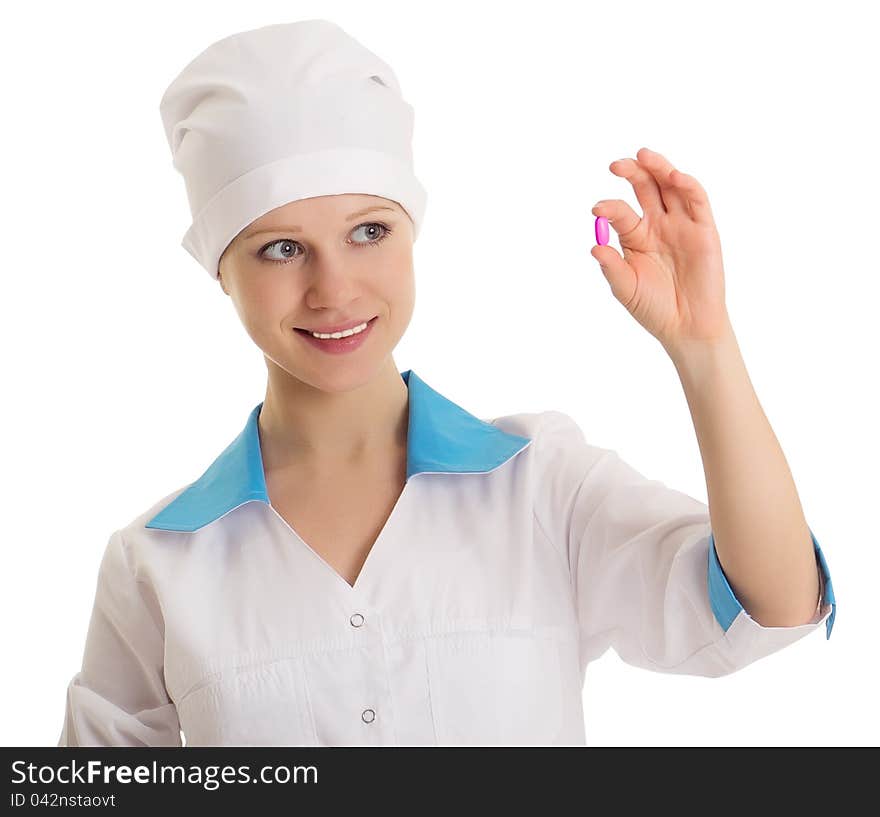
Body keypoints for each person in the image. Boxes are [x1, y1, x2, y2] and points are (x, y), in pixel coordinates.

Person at [57, 20, 835, 748]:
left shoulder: (540, 484)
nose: (336, 290)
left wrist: (704, 347)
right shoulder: (156, 563)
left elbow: (774, 602)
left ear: (411, 234)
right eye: (281, 248)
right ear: (218, 268)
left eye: (370, 232)